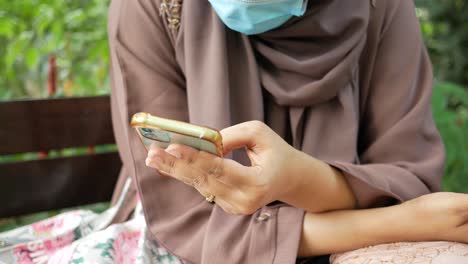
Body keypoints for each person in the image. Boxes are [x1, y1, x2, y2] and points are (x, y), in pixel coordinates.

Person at [0, 0, 467, 263]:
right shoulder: (151, 7)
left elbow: (409, 180)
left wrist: (296, 179)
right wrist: (386, 222)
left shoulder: (380, 8)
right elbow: (184, 221)